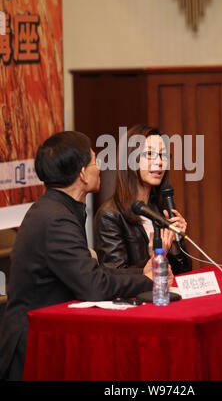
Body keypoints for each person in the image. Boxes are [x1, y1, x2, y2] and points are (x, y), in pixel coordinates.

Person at [0, 131, 162, 381]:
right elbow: (94, 285)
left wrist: (141, 272)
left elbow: (90, 272)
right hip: (31, 347)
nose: (100, 168)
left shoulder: (56, 209)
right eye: (95, 161)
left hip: (47, 337)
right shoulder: (56, 219)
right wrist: (148, 280)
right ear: (83, 173)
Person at [94, 125, 192, 275]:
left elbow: (184, 271)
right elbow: (112, 276)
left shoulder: (160, 207)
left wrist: (175, 244)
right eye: (150, 154)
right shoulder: (109, 215)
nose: (159, 162)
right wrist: (154, 258)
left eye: (163, 155)